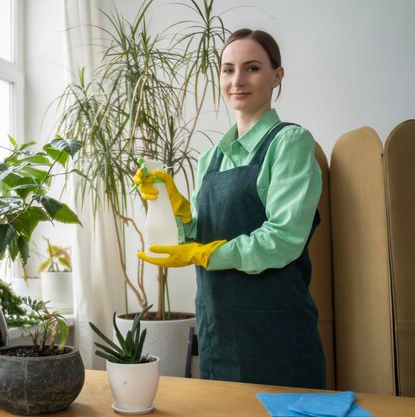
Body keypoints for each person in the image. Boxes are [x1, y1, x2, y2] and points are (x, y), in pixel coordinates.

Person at [134, 28, 326, 389]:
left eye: (252, 68)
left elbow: (283, 239)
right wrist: (167, 204)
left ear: (276, 76)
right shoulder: (211, 157)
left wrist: (208, 254)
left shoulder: (289, 142)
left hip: (274, 335)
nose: (237, 80)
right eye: (227, 69)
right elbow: (193, 236)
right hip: (216, 331)